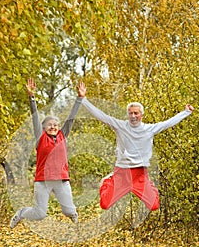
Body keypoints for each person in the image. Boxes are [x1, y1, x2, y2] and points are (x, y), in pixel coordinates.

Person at [77, 81, 194, 211]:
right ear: (127, 114)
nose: (133, 116)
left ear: (141, 115)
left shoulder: (150, 129)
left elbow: (168, 123)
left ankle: (149, 185)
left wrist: (186, 112)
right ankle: (107, 181)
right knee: (104, 204)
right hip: (122, 173)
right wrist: (83, 99)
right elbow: (102, 116)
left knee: (154, 205)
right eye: (130, 113)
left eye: (136, 113)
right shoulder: (120, 126)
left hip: (140, 175)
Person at [10, 78, 81, 228]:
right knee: (40, 214)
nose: (53, 127)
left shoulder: (62, 135)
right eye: (50, 125)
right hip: (43, 181)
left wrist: (79, 98)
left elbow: (71, 119)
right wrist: (31, 97)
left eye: (55, 125)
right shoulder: (40, 138)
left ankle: (73, 214)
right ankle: (21, 213)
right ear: (44, 127)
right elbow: (35, 116)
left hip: (61, 180)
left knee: (69, 210)